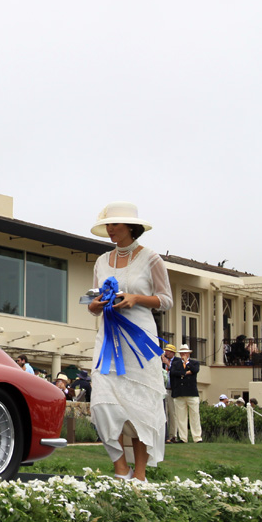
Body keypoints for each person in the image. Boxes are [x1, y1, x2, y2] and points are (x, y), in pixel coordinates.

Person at [86, 201, 172, 482]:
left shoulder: (151, 259)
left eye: (115, 224)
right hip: (109, 337)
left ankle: (141, 475)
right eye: (108, 225)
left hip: (139, 338)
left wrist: (136, 298)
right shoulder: (101, 261)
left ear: (130, 227)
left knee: (141, 404)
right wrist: (95, 305)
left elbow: (166, 300)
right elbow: (92, 299)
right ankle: (120, 468)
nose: (110, 229)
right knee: (102, 400)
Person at [170, 344, 203, 443]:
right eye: (182, 353)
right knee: (181, 417)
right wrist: (185, 373)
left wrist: (187, 363)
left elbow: (195, 370)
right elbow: (173, 373)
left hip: (191, 393)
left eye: (185, 353)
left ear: (188, 354)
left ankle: (197, 437)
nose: (183, 355)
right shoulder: (175, 363)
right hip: (179, 393)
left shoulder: (194, 363)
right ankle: (183, 438)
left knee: (195, 416)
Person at [160, 343, 177, 443]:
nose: (166, 352)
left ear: (173, 353)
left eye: (168, 351)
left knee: (172, 413)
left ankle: (173, 435)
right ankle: (165, 436)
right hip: (163, 389)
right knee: (163, 413)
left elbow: (177, 372)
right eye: (165, 351)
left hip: (171, 390)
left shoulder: (177, 362)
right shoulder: (161, 361)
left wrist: (168, 364)